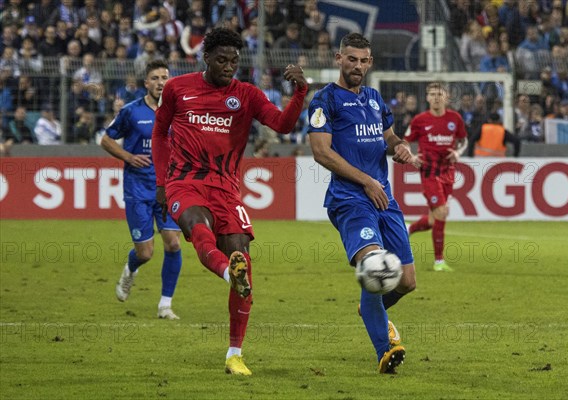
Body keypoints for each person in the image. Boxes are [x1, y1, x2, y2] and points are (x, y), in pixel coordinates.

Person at [151, 28, 308, 376]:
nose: (228, 67)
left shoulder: (247, 95)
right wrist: (161, 183)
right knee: (197, 227)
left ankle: (234, 354)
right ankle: (228, 273)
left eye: (234, 61)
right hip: (184, 182)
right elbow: (160, 133)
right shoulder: (178, 89)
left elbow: (282, 125)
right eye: (222, 60)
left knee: (243, 258)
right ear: (205, 57)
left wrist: (299, 92)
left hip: (225, 189)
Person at [307, 33, 418, 374]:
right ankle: (386, 351)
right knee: (374, 267)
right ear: (339, 58)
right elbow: (321, 151)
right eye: (351, 59)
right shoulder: (324, 99)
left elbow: (388, 135)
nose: (357, 66)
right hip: (350, 199)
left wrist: (399, 146)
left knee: (406, 281)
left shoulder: (372, 98)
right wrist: (366, 181)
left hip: (383, 197)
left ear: (370, 63)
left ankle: (371, 309)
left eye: (363, 60)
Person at [100, 60, 183, 321]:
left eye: (165, 77)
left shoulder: (179, 112)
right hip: (139, 188)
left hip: (169, 188)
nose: (161, 82)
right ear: (146, 83)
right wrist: (127, 156)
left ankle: (165, 305)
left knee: (173, 243)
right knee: (145, 253)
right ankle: (130, 268)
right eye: (155, 78)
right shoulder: (131, 111)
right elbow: (106, 138)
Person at [406, 82, 468, 272]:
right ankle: (439, 261)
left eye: (439, 94)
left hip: (448, 171)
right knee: (442, 212)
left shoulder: (454, 118)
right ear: (427, 98)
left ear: (446, 97)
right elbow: (404, 141)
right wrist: (412, 157)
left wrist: (458, 153)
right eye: (431, 94)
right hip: (429, 172)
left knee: (434, 220)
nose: (435, 97)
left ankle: (407, 229)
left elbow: (463, 140)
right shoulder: (420, 120)